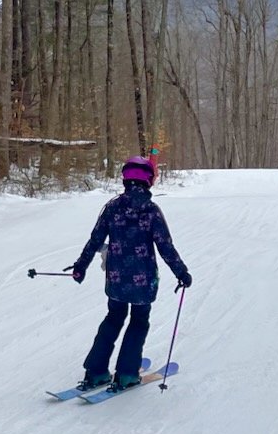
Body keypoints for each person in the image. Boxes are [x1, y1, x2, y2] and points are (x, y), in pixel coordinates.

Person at [69, 154, 192, 393]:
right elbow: (165, 246)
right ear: (149, 181)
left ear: (125, 179)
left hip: (115, 279)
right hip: (143, 281)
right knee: (138, 321)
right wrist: (182, 272)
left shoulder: (112, 207)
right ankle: (126, 373)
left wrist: (80, 266)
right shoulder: (151, 211)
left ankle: (95, 372)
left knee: (113, 318)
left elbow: (95, 240)